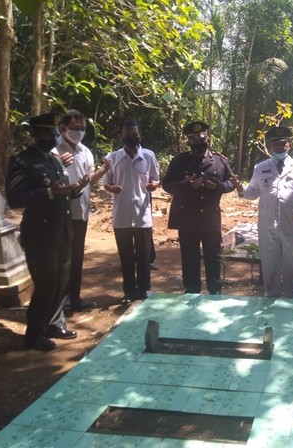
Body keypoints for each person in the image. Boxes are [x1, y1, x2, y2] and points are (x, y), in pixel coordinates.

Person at [6, 112, 87, 350]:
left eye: (53, 133)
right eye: (45, 133)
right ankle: (34, 334)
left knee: (62, 280)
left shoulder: (54, 160)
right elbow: (14, 199)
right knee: (46, 283)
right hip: (40, 234)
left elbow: (61, 190)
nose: (51, 138)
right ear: (34, 134)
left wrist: (75, 190)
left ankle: (53, 324)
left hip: (62, 230)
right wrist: (49, 193)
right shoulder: (22, 162)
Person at [235, 126, 293, 298]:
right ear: (270, 146)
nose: (279, 147)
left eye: (283, 143)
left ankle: (292, 294)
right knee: (269, 260)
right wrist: (240, 190)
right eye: (275, 144)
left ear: (289, 144)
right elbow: (252, 192)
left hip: (292, 223)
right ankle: (271, 293)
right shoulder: (260, 168)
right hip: (267, 223)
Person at [162, 121, 236, 295]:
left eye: (201, 138)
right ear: (189, 142)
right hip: (188, 220)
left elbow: (231, 182)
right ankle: (192, 292)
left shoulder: (219, 161)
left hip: (210, 219)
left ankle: (215, 293)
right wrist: (187, 185)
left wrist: (217, 186)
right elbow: (167, 185)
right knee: (189, 258)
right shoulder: (180, 161)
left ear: (208, 139)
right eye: (193, 139)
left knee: (213, 258)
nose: (198, 142)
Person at [52, 110, 109, 314]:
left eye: (82, 129)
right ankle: (61, 302)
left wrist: (103, 171)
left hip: (81, 210)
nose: (79, 132)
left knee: (76, 257)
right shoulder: (54, 151)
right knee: (62, 257)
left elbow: (88, 178)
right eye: (75, 128)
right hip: (61, 213)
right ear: (63, 128)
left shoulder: (85, 151)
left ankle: (74, 298)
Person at [101, 119, 161, 304]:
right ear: (121, 136)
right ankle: (129, 292)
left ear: (139, 135)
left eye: (134, 135)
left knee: (143, 257)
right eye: (127, 135)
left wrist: (153, 185)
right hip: (122, 215)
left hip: (142, 214)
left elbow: (156, 179)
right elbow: (105, 183)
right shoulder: (112, 158)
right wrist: (112, 188)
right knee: (126, 256)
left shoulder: (149, 156)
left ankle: (144, 290)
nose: (131, 138)